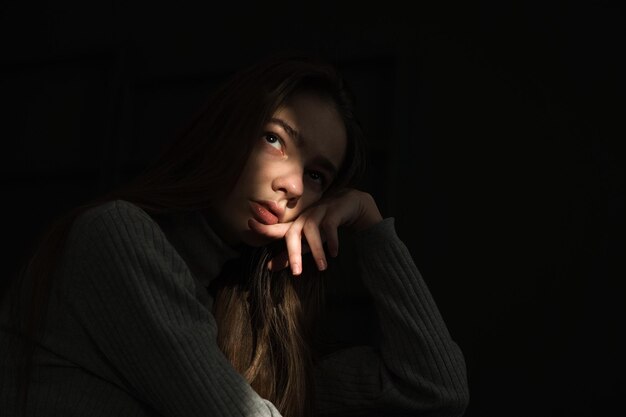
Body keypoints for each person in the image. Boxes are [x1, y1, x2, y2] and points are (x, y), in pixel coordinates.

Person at [0, 53, 470, 417]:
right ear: (228, 130)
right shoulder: (117, 237)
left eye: (317, 176)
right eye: (275, 138)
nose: (291, 184)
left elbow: (435, 391)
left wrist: (369, 225)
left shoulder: (238, 319)